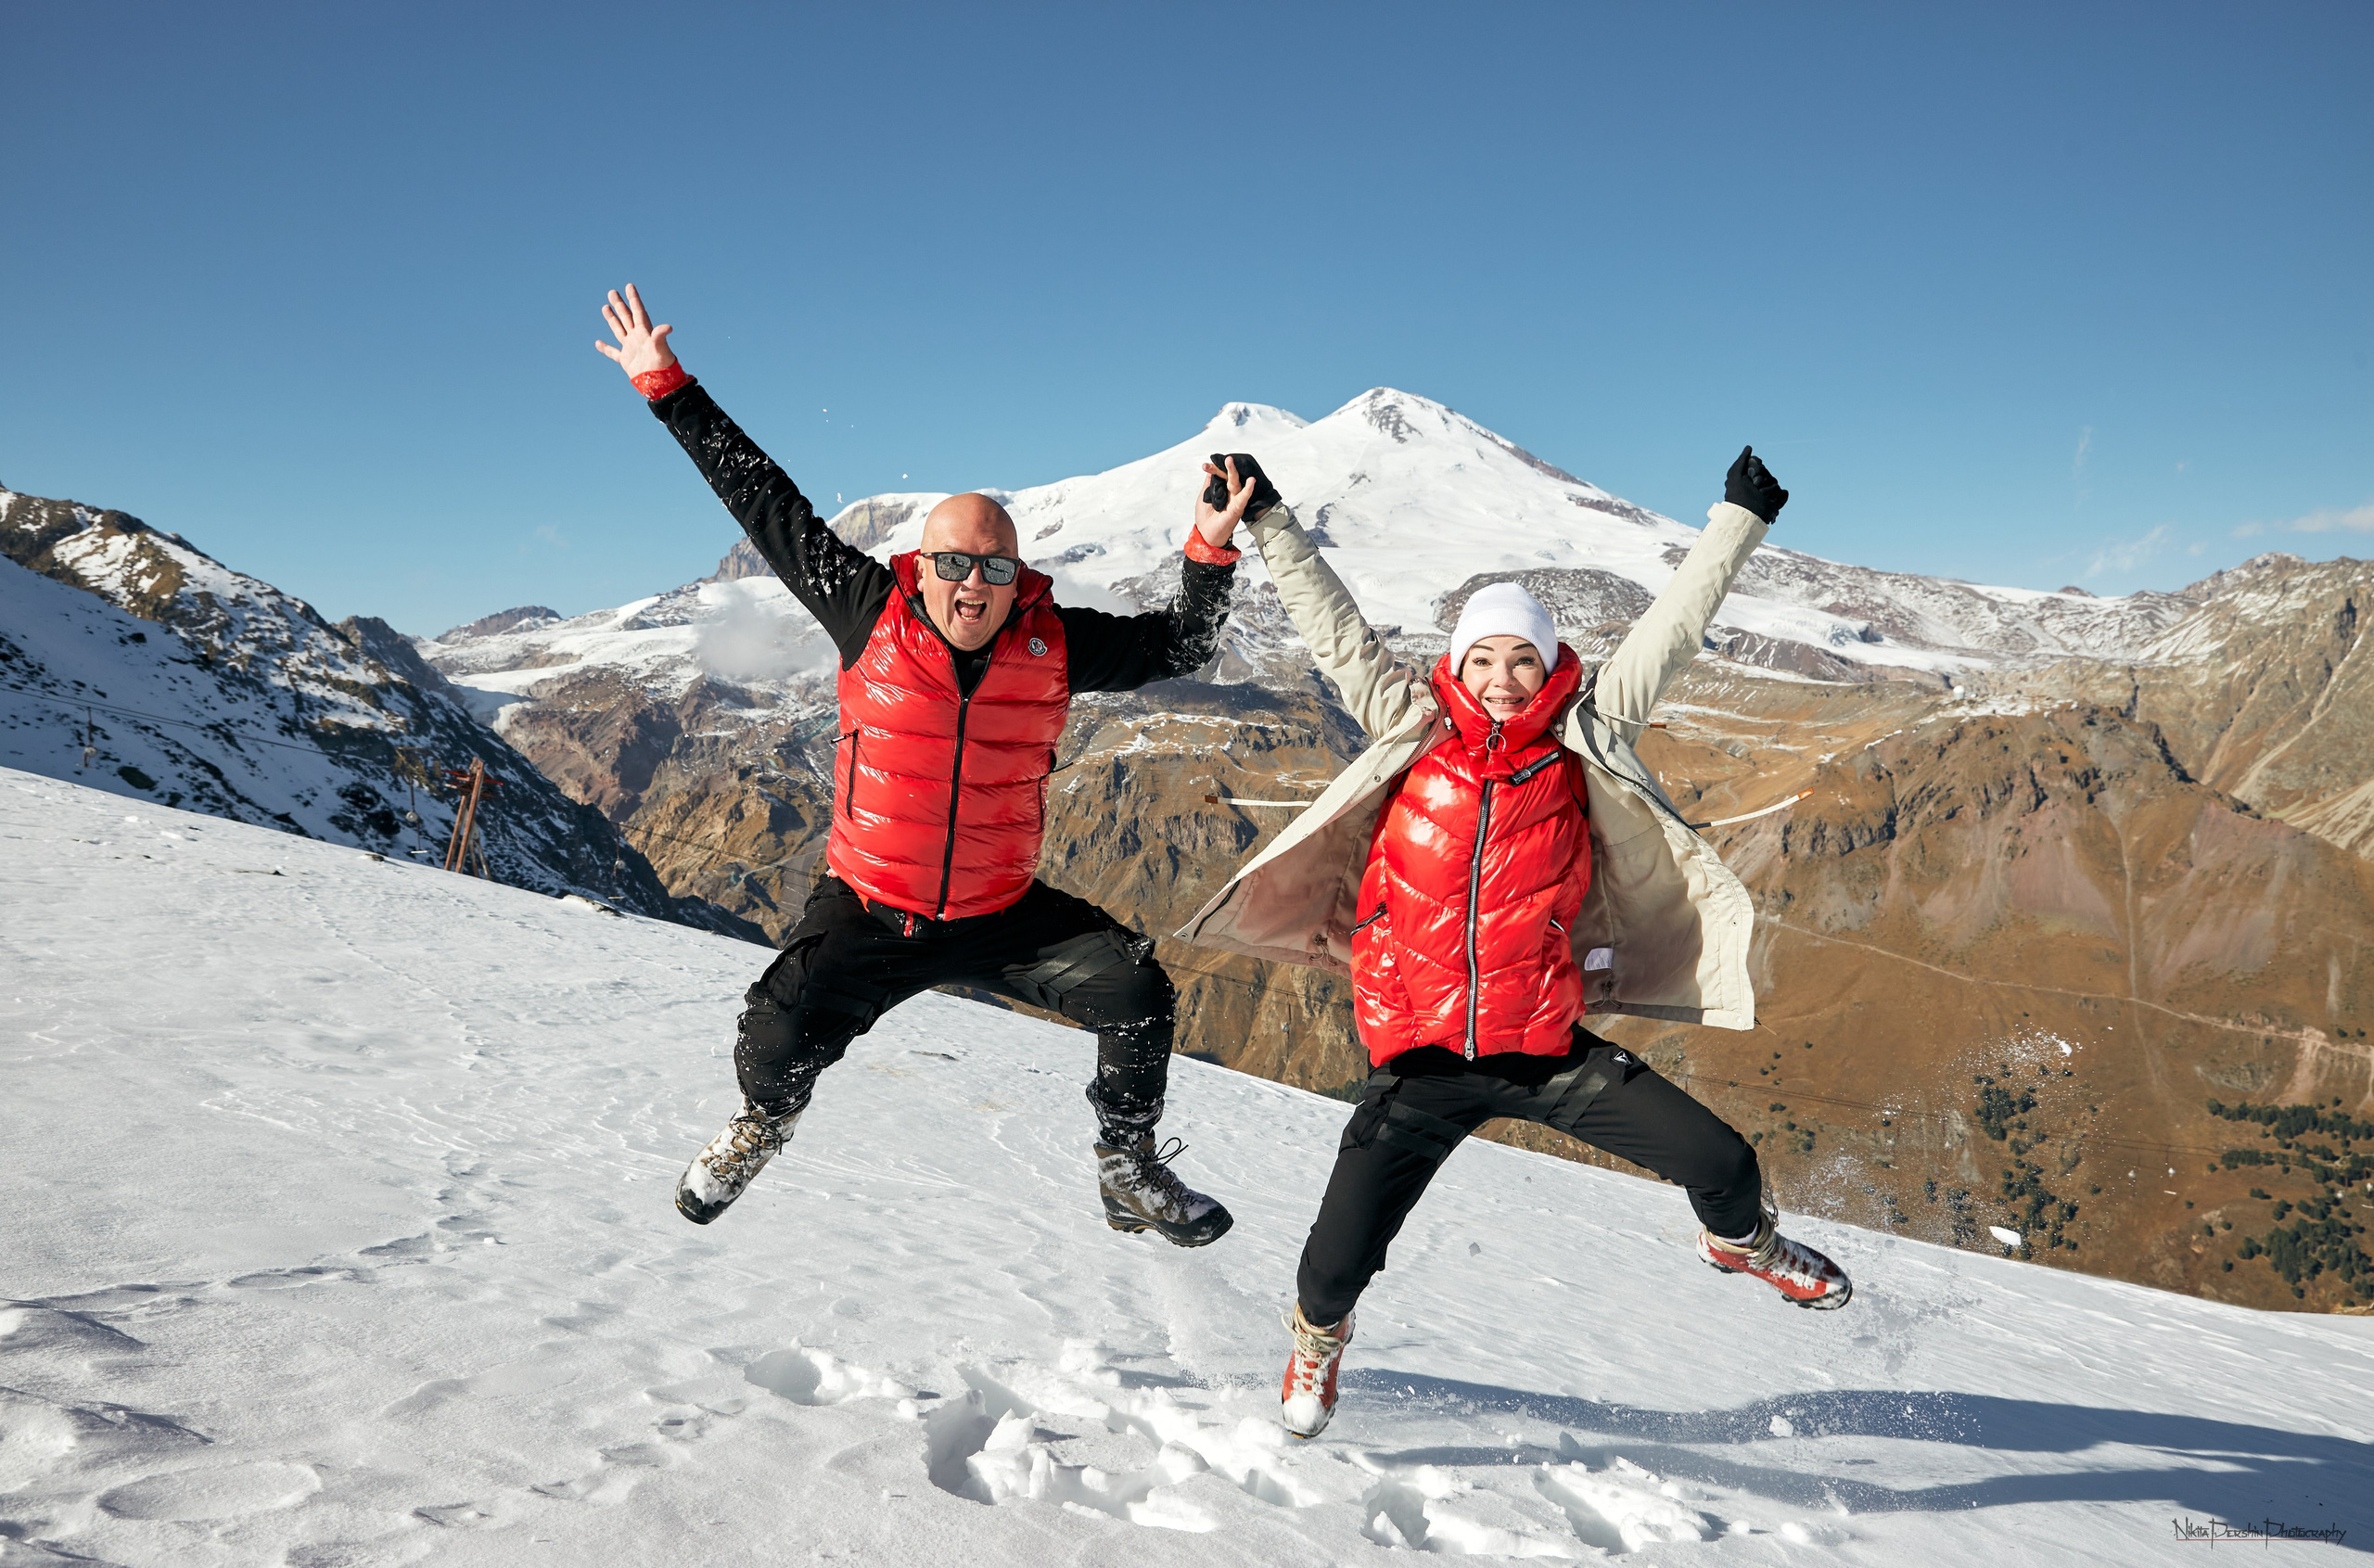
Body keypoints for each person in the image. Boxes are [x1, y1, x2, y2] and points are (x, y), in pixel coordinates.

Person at [1180, 446, 1853, 1438]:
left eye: (1522, 660)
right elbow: (1335, 630)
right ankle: (1318, 1342)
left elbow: (1669, 634)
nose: (1501, 679)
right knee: (1330, 1268)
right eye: (1483, 659)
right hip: (1420, 1066)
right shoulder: (1409, 727)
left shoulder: (1580, 742)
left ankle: (1741, 1243)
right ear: (1456, 667)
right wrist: (1270, 518)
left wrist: (1736, 523)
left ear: (1549, 669)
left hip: (1544, 1054)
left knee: (1723, 1162)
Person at [596, 285, 1254, 1246]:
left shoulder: (1054, 642)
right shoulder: (868, 610)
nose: (972, 585)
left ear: (1018, 577)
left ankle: (1126, 1168)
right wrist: (666, 386)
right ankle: (761, 1125)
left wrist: (1209, 545)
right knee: (776, 1026)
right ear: (921, 563)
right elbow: (764, 500)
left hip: (1000, 913)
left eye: (994, 569)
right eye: (954, 564)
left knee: (1138, 993)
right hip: (873, 905)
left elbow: (1180, 645)